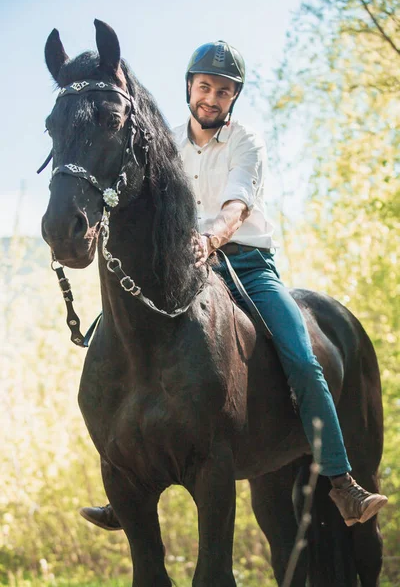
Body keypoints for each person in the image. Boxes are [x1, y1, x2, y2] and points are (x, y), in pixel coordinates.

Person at [80, 40, 387, 531]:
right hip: (178, 266)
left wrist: (212, 238)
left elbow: (236, 207)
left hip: (245, 263)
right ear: (189, 88)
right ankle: (125, 482)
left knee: (304, 359)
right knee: (114, 337)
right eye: (204, 86)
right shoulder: (167, 144)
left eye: (223, 91)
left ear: (233, 98)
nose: (212, 98)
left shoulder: (247, 142)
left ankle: (342, 481)